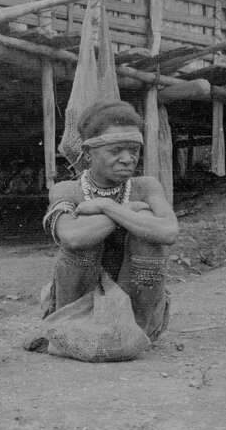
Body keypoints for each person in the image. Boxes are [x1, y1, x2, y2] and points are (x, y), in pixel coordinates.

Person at [40, 100, 179, 343]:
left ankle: (133, 335)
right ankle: (73, 330)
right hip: (77, 309)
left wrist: (107, 206)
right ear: (88, 152)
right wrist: (127, 212)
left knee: (148, 232)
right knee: (89, 228)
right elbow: (72, 237)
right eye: (115, 151)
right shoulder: (67, 190)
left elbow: (168, 232)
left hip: (138, 315)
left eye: (133, 150)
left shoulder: (146, 187)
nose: (127, 159)